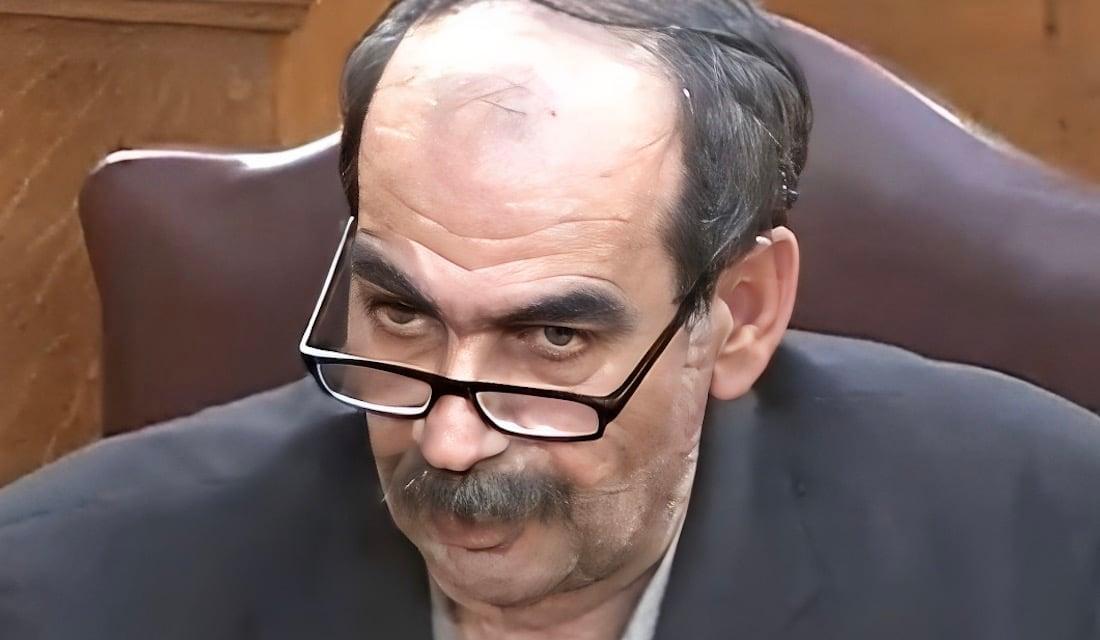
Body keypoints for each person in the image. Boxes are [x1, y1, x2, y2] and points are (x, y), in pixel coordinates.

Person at [2, 1, 1099, 639]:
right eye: (399, 314)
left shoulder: (1047, 549)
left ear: (740, 314)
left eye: (552, 339)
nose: (448, 439)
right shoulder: (71, 586)